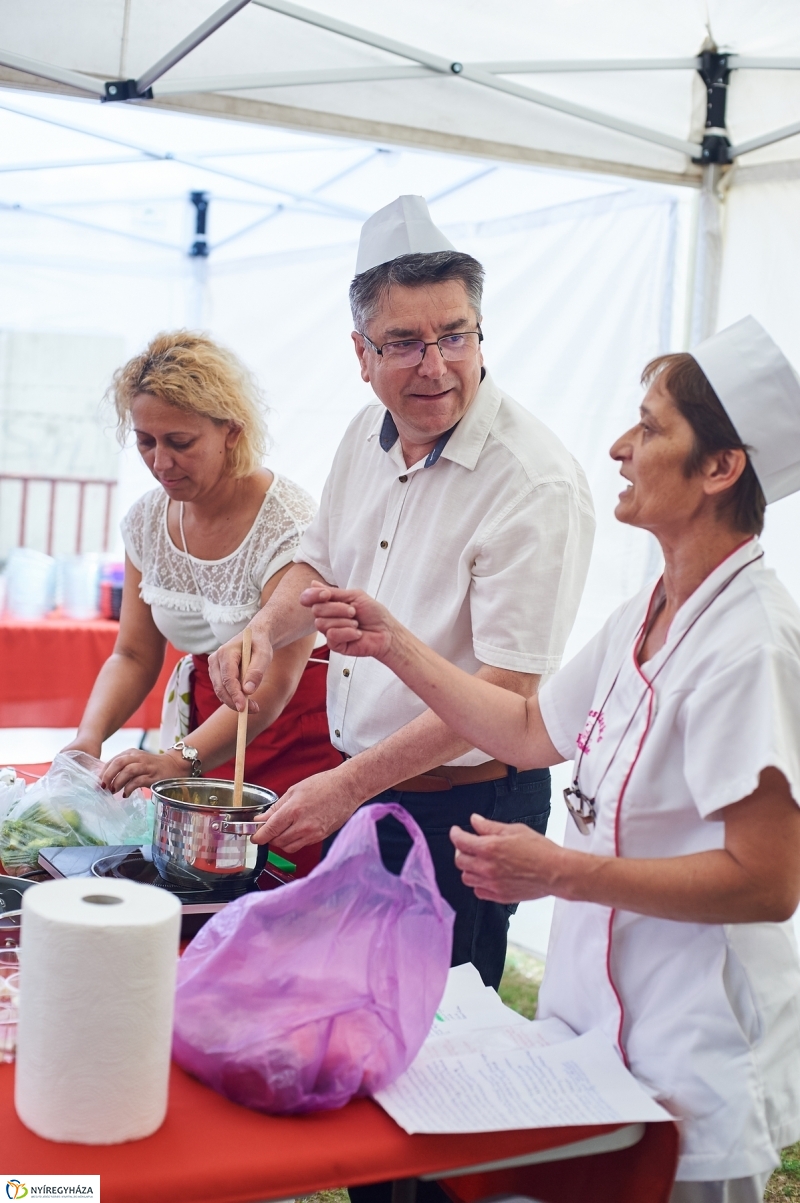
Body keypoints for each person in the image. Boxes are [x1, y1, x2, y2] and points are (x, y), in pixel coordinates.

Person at [306, 315, 800, 1201]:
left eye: (650, 429)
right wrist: (395, 643)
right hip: (594, 1038)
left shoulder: (750, 644)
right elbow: (533, 727)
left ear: (721, 469)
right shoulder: (650, 610)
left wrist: (559, 870)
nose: (619, 446)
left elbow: (768, 882)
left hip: (695, 1056)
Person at [209, 194, 595, 988]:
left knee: (437, 1038)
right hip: (365, 787)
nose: (436, 364)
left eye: (455, 335)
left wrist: (347, 783)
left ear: (480, 332)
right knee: (348, 1006)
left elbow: (506, 690)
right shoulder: (364, 432)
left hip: (469, 809)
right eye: (405, 342)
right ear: (360, 352)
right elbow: (316, 566)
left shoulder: (535, 482)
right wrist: (263, 629)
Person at [64, 331, 341, 876]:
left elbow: (277, 679)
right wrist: (88, 735)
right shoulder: (146, 520)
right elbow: (135, 656)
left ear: (230, 433)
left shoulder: (288, 523)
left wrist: (180, 760)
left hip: (291, 725)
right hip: (202, 723)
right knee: (196, 876)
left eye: (180, 441)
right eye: (145, 441)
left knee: (276, 882)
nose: (160, 461)